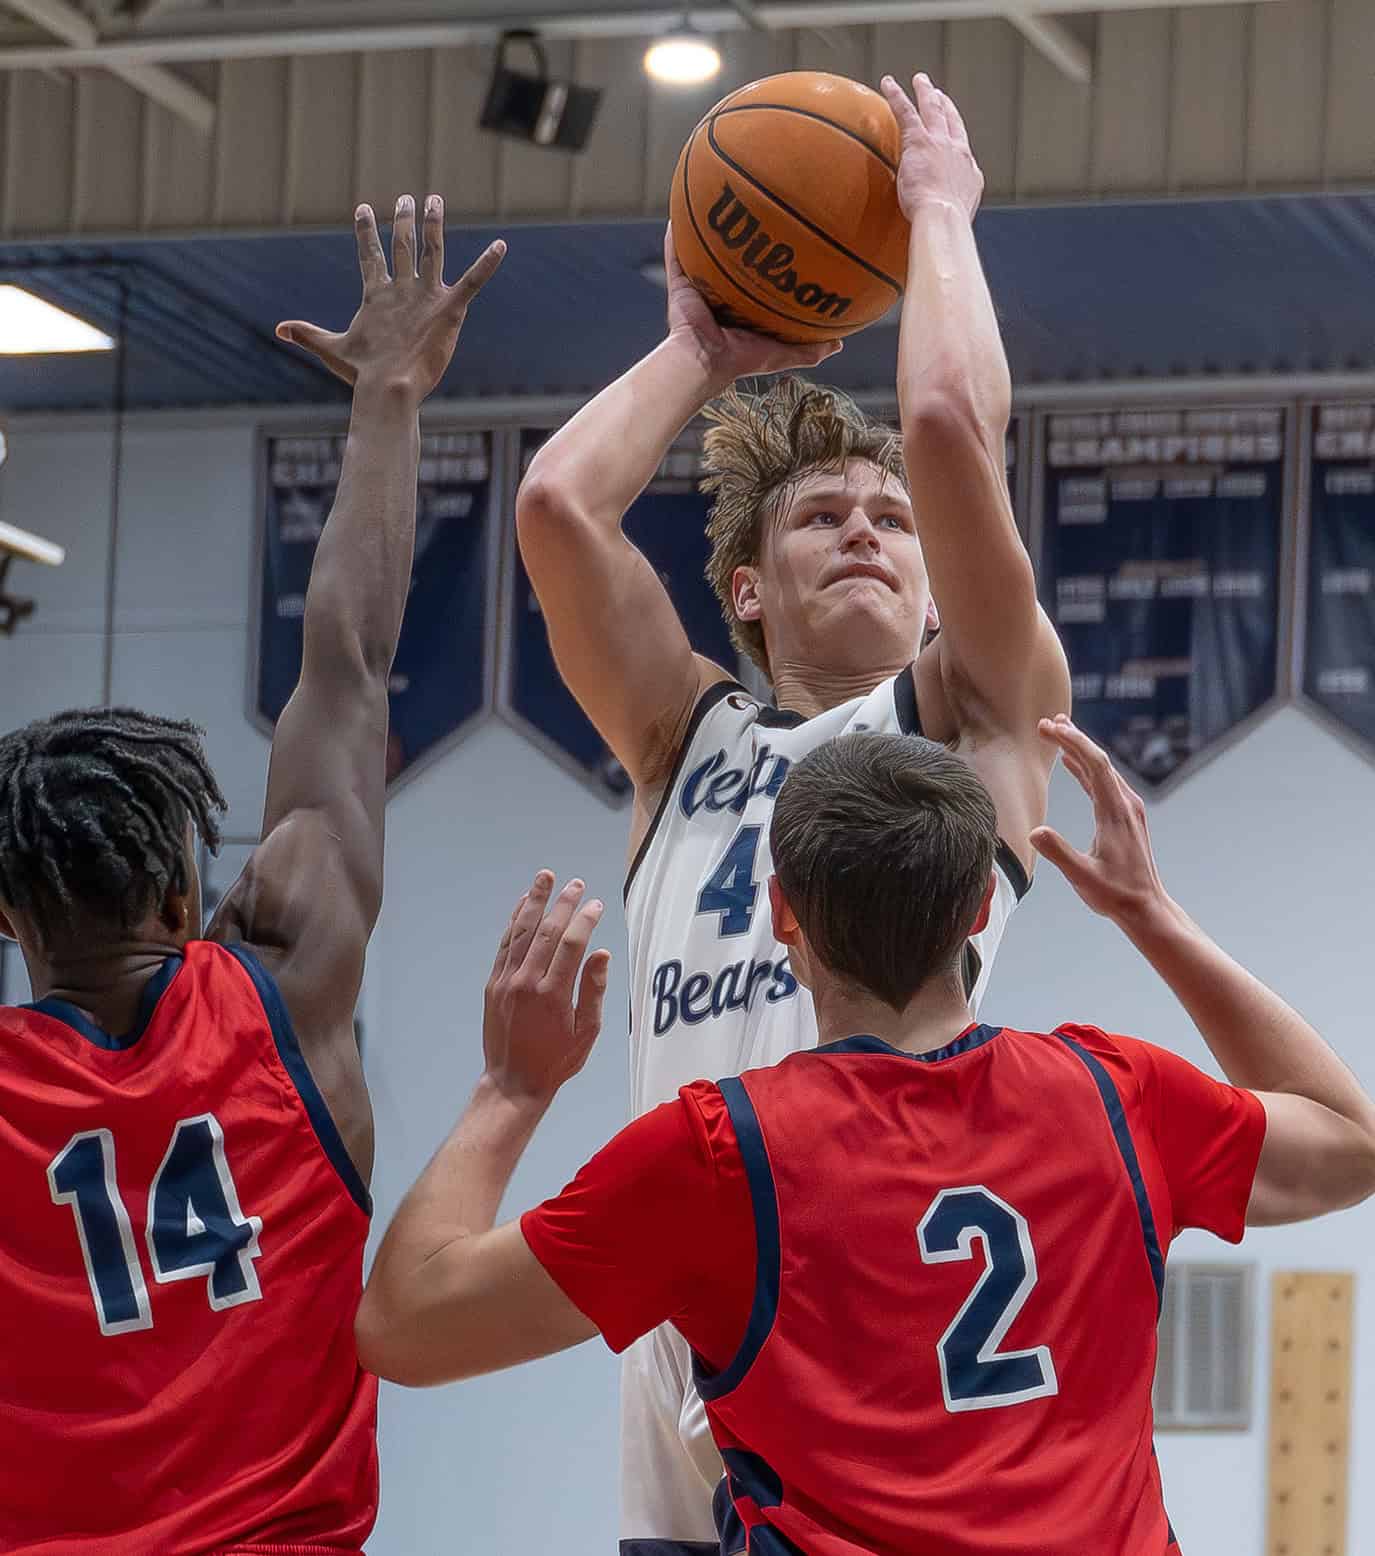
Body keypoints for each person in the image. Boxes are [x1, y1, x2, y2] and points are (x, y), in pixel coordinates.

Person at [357, 718, 1375, 1555]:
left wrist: (511, 1086)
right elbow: (1348, 1139)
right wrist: (1151, 912)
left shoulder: (717, 1155)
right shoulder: (1115, 1095)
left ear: (782, 915)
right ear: (981, 906)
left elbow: (403, 1325)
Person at [515, 71, 1071, 1545]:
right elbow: (557, 510)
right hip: (674, 1394)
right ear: (745, 587)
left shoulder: (967, 716)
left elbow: (946, 419)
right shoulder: (676, 734)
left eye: (889, 519)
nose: (869, 533)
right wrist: (696, 347)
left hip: (858, 1350)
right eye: (822, 515)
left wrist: (939, 217)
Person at [0, 197, 504, 1554]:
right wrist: (389, 398)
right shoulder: (289, 984)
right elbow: (349, 661)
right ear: (185, 895)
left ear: (8, 914)